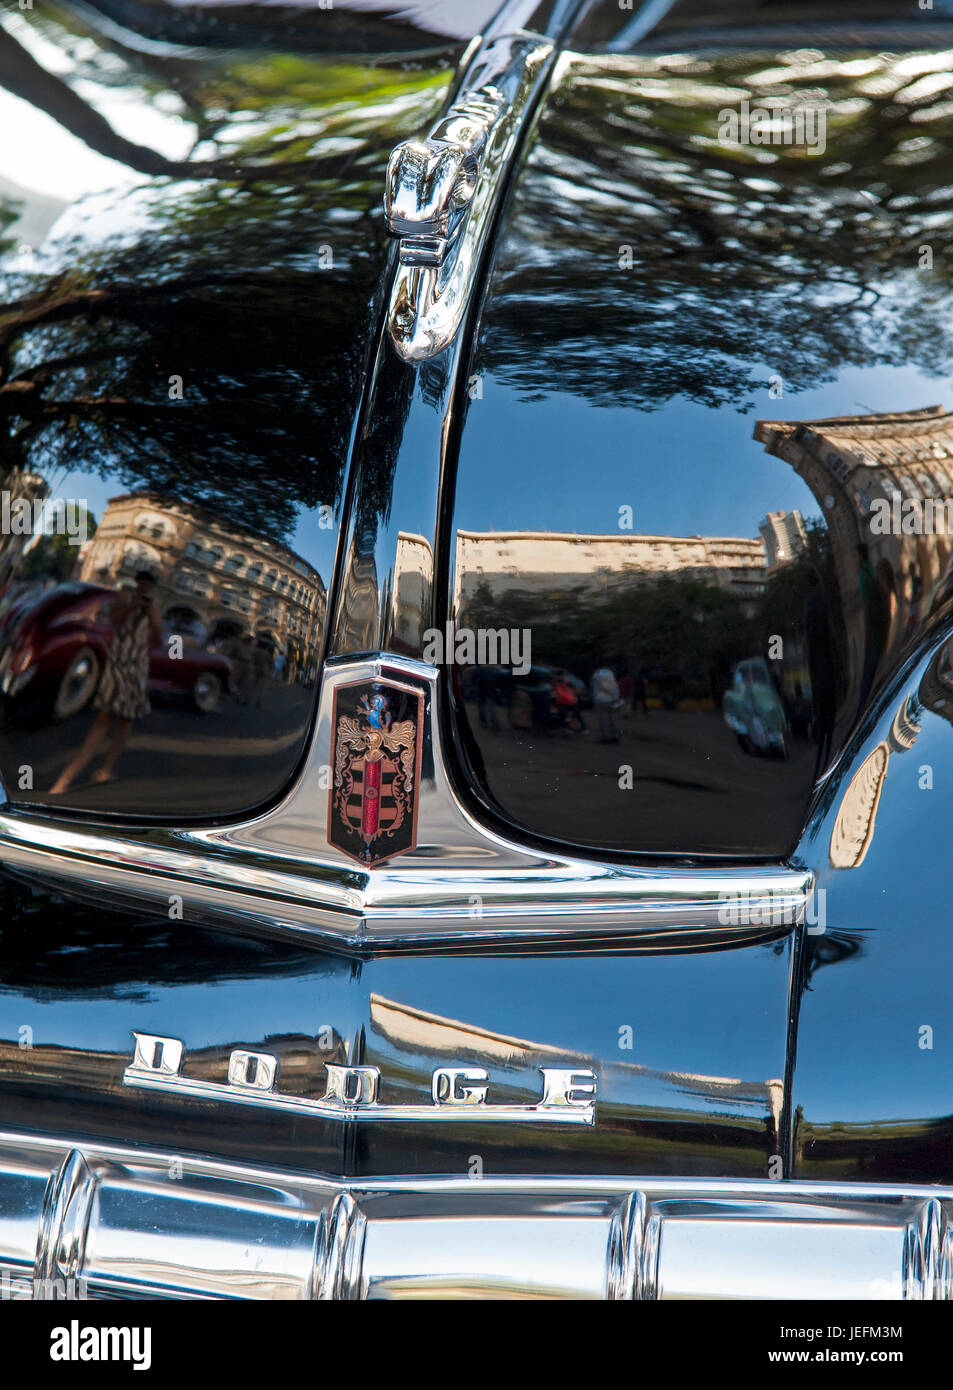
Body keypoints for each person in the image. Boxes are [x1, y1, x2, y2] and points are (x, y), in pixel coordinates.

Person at [50, 572, 160, 793]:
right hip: (118, 664)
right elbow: (114, 620)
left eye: (147, 587)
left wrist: (150, 612)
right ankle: (66, 778)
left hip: (136, 667)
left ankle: (105, 769)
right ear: (137, 583)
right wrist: (132, 605)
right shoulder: (124, 597)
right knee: (104, 718)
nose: (143, 590)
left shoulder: (154, 606)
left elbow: (158, 638)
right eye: (141, 585)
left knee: (125, 721)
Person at [591, 662, 621, 742]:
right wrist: (615, 697)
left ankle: (605, 737)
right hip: (611, 699)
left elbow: (602, 686)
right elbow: (615, 686)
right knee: (611, 718)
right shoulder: (610, 673)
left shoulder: (597, 674)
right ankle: (614, 736)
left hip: (601, 700)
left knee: (603, 720)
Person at [551, 669, 587, 733]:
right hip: (561, 702)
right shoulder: (553, 683)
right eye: (559, 675)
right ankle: (566, 727)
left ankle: (583, 728)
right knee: (564, 715)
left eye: (561, 675)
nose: (561, 677)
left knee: (576, 714)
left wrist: (574, 695)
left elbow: (578, 689)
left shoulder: (566, 682)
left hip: (569, 702)